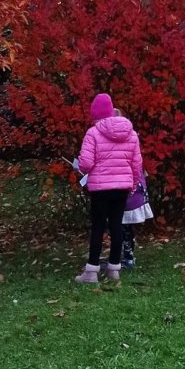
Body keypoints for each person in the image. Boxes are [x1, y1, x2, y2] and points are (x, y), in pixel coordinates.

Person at [73, 93, 143, 285]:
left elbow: (86, 163)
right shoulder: (131, 134)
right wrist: (133, 185)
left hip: (100, 188)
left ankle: (91, 271)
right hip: (122, 187)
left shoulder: (92, 133)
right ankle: (114, 269)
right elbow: (136, 164)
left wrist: (80, 166)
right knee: (116, 226)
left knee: (98, 227)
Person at [120, 172, 153, 268]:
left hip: (128, 188)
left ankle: (128, 257)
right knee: (127, 226)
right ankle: (128, 255)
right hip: (133, 186)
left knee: (125, 226)